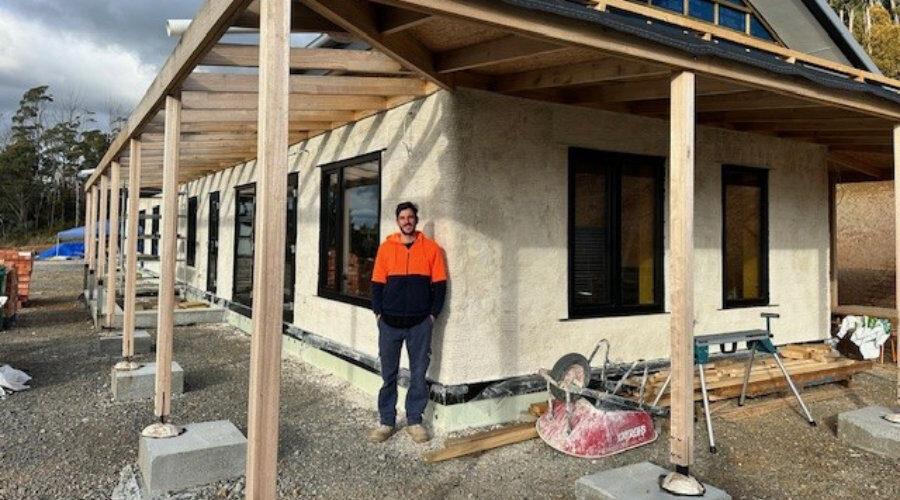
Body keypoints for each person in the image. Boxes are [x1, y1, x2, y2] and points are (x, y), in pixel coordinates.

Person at [368, 201, 447, 444]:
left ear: (416, 219)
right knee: (388, 374)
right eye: (402, 218)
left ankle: (414, 420)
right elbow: (377, 284)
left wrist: (432, 315)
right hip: (389, 323)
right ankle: (386, 421)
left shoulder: (431, 249)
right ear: (397, 221)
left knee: (418, 373)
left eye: (410, 217)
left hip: (419, 324)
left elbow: (440, 285)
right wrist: (378, 313)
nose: (407, 221)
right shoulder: (385, 249)